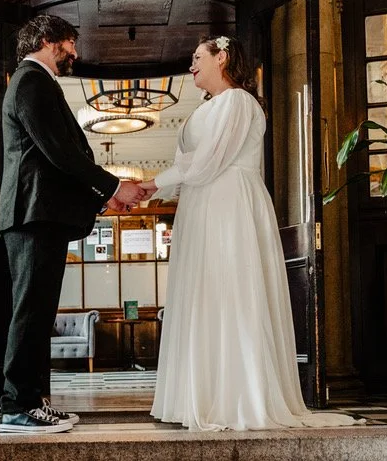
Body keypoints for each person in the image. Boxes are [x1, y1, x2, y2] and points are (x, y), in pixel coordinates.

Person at [140, 35, 362, 431]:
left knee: (232, 290)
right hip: (200, 204)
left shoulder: (239, 102)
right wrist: (152, 189)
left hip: (229, 203)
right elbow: (189, 162)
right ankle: (204, 393)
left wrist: (153, 184)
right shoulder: (202, 110)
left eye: (197, 58)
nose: (191, 66)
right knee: (204, 293)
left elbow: (209, 160)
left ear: (221, 57)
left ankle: (239, 396)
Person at [0, 14, 149, 434]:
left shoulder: (35, 82)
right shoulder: (31, 81)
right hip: (31, 215)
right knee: (31, 312)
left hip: (39, 214)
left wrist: (102, 200)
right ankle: (18, 406)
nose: (75, 53)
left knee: (39, 312)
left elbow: (58, 160)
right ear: (48, 40)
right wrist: (113, 187)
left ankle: (36, 402)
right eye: (70, 43)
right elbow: (59, 152)